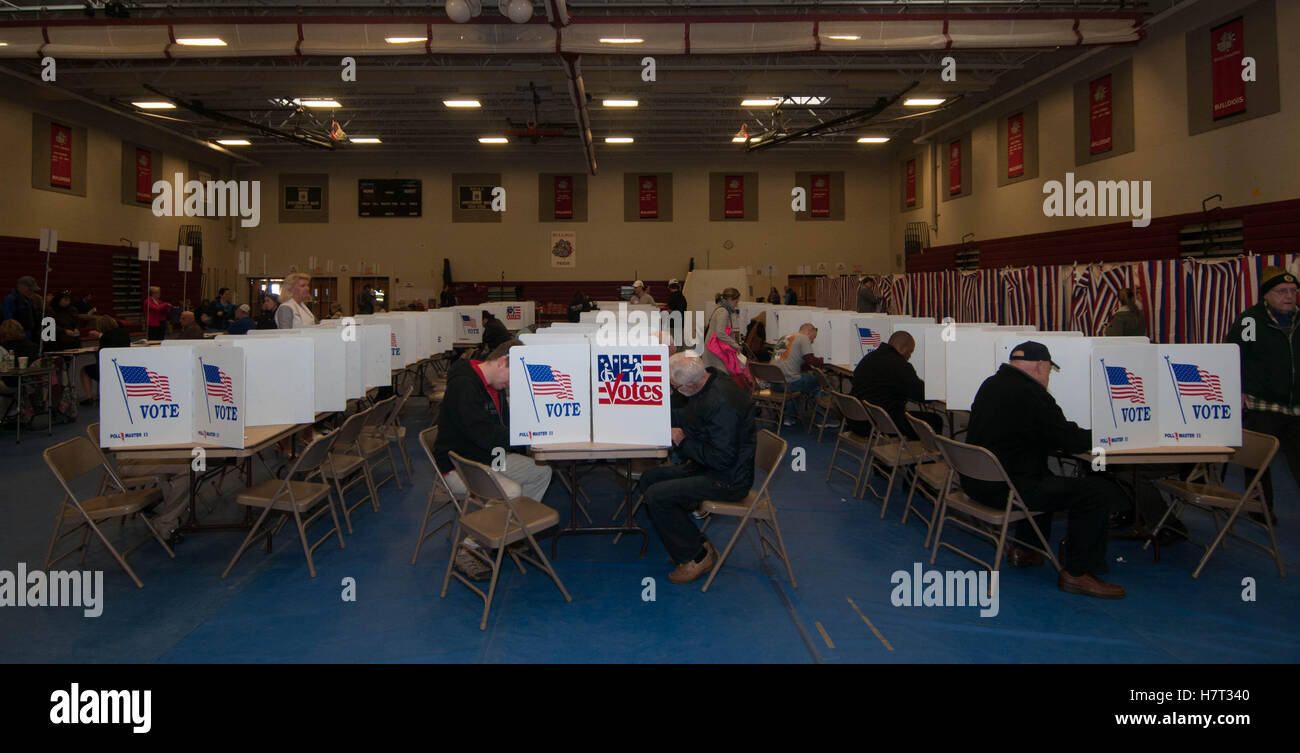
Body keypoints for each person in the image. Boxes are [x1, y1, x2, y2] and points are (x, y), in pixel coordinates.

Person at [963, 341, 1125, 599]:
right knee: (1096, 491)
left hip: (976, 482)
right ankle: (1077, 573)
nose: (1048, 376)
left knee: (1044, 474)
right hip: (1006, 489)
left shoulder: (991, 384)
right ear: (1040, 366)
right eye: (1049, 370)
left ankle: (1026, 549)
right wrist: (1110, 435)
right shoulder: (1031, 394)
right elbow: (1067, 439)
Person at [433, 338, 553, 580]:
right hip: (459, 466)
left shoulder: (493, 386)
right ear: (502, 361)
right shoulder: (465, 386)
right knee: (510, 490)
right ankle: (469, 548)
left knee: (541, 472)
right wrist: (528, 436)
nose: (511, 385)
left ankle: (512, 531)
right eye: (512, 377)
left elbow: (502, 429)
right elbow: (484, 434)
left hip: (487, 458)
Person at [639, 353, 756, 584]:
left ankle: (697, 555)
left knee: (657, 496)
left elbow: (722, 458)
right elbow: (697, 422)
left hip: (729, 478)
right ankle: (693, 541)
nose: (674, 392)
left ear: (690, 385)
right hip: (710, 466)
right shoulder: (710, 382)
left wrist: (683, 442)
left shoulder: (721, 403)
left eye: (675, 388)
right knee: (650, 478)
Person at [1226, 266, 1300, 524]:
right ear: (1266, 295)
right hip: (1262, 403)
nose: (1289, 296)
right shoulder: (1251, 321)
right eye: (1281, 291)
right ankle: (1260, 508)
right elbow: (1233, 354)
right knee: (1258, 463)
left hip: (1296, 406)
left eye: (1293, 291)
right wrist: (1238, 389)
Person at [848, 331, 942, 440]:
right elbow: (923, 394)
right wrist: (939, 388)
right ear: (903, 349)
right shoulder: (900, 365)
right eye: (910, 352)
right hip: (878, 423)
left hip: (856, 418)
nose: (909, 356)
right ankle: (920, 455)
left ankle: (902, 451)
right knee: (934, 420)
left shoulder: (869, 357)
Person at [78, 315, 131, 404]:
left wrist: (99, 338)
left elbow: (101, 355)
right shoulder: (124, 333)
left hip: (107, 370)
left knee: (84, 370)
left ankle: (89, 396)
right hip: (122, 367)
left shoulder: (105, 337)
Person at [701, 288, 747, 387]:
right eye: (736, 301)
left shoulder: (720, 309)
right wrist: (735, 345)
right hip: (715, 350)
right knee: (721, 376)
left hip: (712, 347)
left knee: (714, 376)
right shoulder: (724, 312)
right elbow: (720, 333)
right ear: (729, 299)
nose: (736, 304)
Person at [773, 323, 824, 410]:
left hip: (774, 382)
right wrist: (823, 360)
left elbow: (785, 361)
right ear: (809, 332)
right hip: (788, 383)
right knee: (819, 381)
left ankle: (789, 418)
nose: (812, 341)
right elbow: (811, 361)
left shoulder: (784, 337)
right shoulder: (804, 338)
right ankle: (821, 419)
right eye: (813, 337)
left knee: (800, 381)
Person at [2, 276, 41, 341]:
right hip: (16, 337)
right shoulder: (10, 300)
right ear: (20, 286)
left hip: (29, 336)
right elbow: (8, 322)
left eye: (32, 290)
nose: (32, 292)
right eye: (30, 289)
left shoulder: (28, 300)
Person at [666, 279, 687, 344]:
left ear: (669, 287)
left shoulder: (672, 296)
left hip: (673, 323)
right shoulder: (682, 296)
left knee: (673, 341)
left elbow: (670, 310)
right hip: (681, 322)